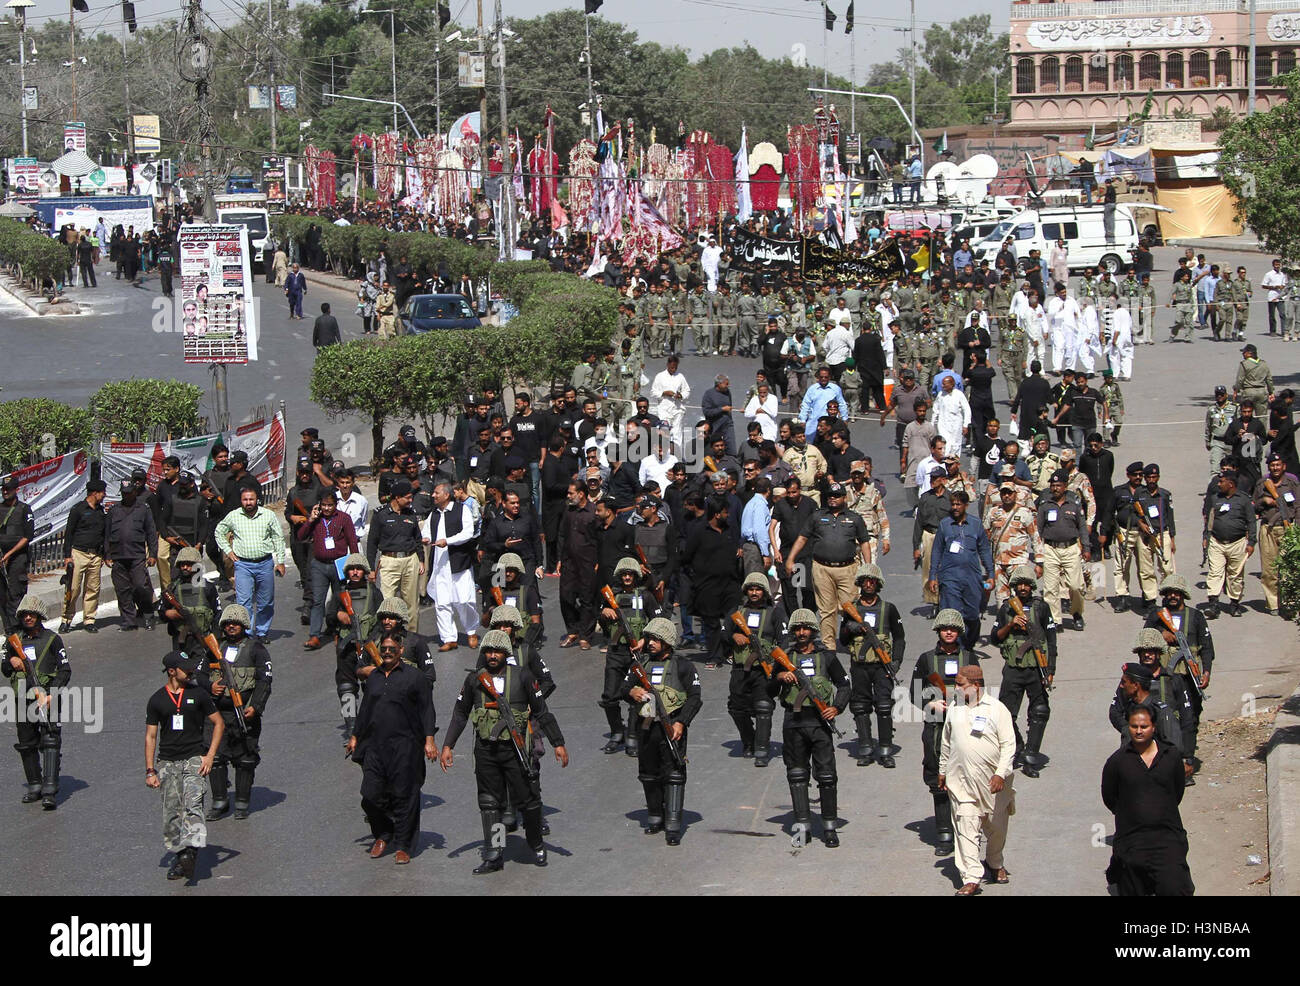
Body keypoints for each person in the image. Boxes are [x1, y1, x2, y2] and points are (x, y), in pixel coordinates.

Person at [440, 631, 567, 872]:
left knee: (529, 800)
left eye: (497, 651)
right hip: (486, 750)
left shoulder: (523, 677)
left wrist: (558, 743)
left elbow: (542, 711)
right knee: (490, 803)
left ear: (506, 653)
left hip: (515, 750)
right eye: (488, 651)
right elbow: (460, 713)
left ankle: (536, 843)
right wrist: (448, 746)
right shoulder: (475, 681)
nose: (492, 655)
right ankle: (495, 853)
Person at [346, 631, 438, 866]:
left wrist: (429, 740)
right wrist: (355, 736)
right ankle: (384, 833)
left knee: (405, 797)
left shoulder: (415, 678)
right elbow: (365, 709)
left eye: (391, 649)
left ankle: (404, 845)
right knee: (370, 796)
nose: (387, 652)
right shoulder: (375, 677)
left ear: (400, 651)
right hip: (375, 746)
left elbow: (427, 709)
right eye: (384, 649)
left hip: (405, 746)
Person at [770, 608, 848, 847]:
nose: (802, 633)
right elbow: (768, 690)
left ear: (813, 632)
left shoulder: (827, 658)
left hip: (820, 723)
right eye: (798, 629)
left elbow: (844, 685)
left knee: (826, 777)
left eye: (806, 629)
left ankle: (829, 827)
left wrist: (836, 708)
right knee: (797, 775)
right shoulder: (783, 657)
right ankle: (802, 827)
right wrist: (780, 677)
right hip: (793, 723)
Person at [619, 617, 701, 845]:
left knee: (674, 773)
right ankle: (655, 816)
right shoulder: (639, 665)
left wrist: (681, 723)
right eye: (650, 639)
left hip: (672, 728)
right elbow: (623, 689)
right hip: (646, 728)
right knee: (648, 773)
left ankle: (673, 824)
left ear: (667, 642)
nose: (651, 643)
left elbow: (695, 698)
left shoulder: (683, 666)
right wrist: (632, 692)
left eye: (656, 639)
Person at [144, 651, 224, 882]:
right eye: (185, 669)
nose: (190, 672)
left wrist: (209, 756)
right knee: (171, 815)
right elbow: (151, 736)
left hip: (193, 759)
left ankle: (190, 852)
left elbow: (218, 723)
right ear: (171, 671)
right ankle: (181, 855)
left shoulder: (198, 694)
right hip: (168, 762)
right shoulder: (157, 700)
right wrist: (150, 770)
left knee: (193, 805)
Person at [1102, 704, 1195, 896]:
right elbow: (1110, 797)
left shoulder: (1171, 757)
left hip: (1167, 836)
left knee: (1174, 887)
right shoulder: (1117, 761)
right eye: (1134, 726)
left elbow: (1177, 792)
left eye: (1143, 727)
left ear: (1154, 727)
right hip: (1132, 839)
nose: (1138, 731)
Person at [939, 664, 1016, 894]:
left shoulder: (997, 709)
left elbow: (1008, 745)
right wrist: (943, 770)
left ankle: (995, 863)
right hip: (961, 782)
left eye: (961, 685)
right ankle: (971, 877)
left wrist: (1000, 773)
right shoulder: (955, 708)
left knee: (996, 828)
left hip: (992, 784)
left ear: (976, 685)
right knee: (965, 827)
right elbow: (947, 742)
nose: (956, 689)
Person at [910, 609, 981, 857]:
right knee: (938, 779)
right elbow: (913, 693)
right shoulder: (926, 659)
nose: (949, 632)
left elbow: (980, 694)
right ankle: (944, 833)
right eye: (944, 628)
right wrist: (930, 704)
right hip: (936, 727)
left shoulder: (970, 658)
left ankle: (967, 830)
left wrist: (962, 700)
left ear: (959, 631)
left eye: (953, 628)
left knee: (968, 778)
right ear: (938, 631)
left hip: (965, 728)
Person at [202, 604, 271, 821]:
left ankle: (242, 801)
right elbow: (199, 675)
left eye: (236, 623)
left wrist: (256, 707)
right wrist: (210, 687)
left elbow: (265, 680)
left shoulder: (256, 649)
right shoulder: (214, 649)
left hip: (244, 713)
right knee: (216, 757)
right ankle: (219, 800)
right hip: (217, 716)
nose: (232, 626)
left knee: (246, 759)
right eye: (228, 623)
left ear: (244, 626)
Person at [784, 481, 873, 650]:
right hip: (821, 568)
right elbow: (802, 538)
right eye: (830, 496)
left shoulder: (854, 518)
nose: (833, 499)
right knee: (826, 609)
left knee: (850, 608)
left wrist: (868, 569)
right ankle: (829, 645)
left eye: (837, 496)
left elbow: (864, 543)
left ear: (844, 498)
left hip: (848, 569)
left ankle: (853, 641)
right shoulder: (817, 516)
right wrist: (790, 559)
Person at [3, 595, 70, 809]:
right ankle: (34, 785)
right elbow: (4, 668)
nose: (28, 617)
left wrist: (52, 694)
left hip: (46, 696)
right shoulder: (14, 641)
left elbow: (65, 670)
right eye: (24, 614)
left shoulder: (52, 639)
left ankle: (50, 789)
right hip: (23, 697)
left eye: (32, 614)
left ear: (39, 616)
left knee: (50, 740)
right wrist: (12, 661)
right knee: (26, 742)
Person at [992, 567, 1056, 778]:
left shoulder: (1042, 608)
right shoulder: (1006, 609)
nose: (1023, 587)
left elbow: (1051, 639)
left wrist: (1051, 669)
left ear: (1032, 586)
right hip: (1013, 669)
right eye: (1019, 584)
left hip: (1036, 668)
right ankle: (1017, 747)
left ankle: (1031, 755)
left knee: (1039, 712)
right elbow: (995, 638)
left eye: (1027, 584)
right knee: (1005, 715)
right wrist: (1011, 625)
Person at [838, 563, 904, 768]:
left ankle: (885, 748)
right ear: (859, 583)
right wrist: (851, 628)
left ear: (878, 584)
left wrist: (896, 663)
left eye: (872, 581)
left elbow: (900, 638)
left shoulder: (888, 609)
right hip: (859, 666)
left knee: (884, 707)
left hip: (882, 668)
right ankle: (865, 748)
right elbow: (842, 639)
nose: (868, 584)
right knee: (860, 706)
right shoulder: (852, 609)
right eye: (865, 581)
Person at [725, 572, 785, 766]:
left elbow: (784, 641)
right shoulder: (737, 611)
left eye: (758, 589)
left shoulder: (775, 612)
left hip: (764, 670)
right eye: (751, 589)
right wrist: (733, 637)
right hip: (740, 668)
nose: (754, 592)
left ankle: (761, 749)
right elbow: (723, 633)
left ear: (765, 592)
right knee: (736, 708)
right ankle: (748, 741)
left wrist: (776, 665)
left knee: (763, 707)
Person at [214, 487, 287, 641]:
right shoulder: (234, 516)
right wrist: (228, 550)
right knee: (244, 601)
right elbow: (219, 532)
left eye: (251, 499)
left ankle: (262, 632)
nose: (248, 502)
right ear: (241, 501)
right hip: (243, 566)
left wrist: (280, 561)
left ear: (257, 500)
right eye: (245, 499)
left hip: (265, 564)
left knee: (265, 602)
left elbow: (278, 538)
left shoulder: (268, 515)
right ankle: (247, 633)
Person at [927, 490, 994, 647]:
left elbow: (984, 550)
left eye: (958, 504)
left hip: (972, 577)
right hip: (950, 578)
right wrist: (932, 576)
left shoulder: (976, 524)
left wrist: (990, 573)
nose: (955, 507)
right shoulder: (945, 525)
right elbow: (936, 551)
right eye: (953, 504)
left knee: (972, 614)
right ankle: (956, 648)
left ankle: (969, 644)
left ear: (966, 505)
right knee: (952, 613)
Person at [427, 482, 479, 651]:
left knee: (464, 600)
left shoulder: (461, 510)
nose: (433, 496)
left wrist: (448, 541)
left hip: (458, 562)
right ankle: (449, 638)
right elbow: (427, 532)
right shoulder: (433, 514)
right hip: (440, 565)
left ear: (446, 495)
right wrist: (426, 539)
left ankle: (471, 632)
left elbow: (467, 533)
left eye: (436, 493)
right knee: (442, 603)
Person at [104, 480, 159, 632]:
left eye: (129, 492)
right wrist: (107, 554)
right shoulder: (114, 510)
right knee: (122, 590)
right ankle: (129, 620)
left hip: (137, 556)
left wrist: (152, 554)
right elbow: (107, 534)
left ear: (135, 492)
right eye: (124, 493)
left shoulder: (143, 509)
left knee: (141, 587)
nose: (126, 495)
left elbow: (151, 533)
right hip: (118, 556)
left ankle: (148, 615)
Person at [59, 479, 108, 634]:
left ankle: (89, 620)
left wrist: (104, 555)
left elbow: (104, 534)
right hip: (78, 554)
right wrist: (67, 557)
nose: (104, 495)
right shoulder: (78, 510)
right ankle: (66, 619)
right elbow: (69, 534)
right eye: (102, 492)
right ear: (94, 493)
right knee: (73, 589)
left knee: (93, 589)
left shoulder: (101, 511)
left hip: (95, 555)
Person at [1254, 452, 1300, 615]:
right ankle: (1273, 603)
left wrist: (1297, 530)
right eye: (1272, 465)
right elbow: (1254, 507)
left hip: (1289, 529)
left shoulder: (1292, 482)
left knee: (1289, 568)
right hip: (1268, 529)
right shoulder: (1262, 483)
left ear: (1284, 466)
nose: (1275, 467)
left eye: (1278, 465)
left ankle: (1290, 603)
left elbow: (1298, 505)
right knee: (1269, 570)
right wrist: (1264, 501)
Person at [0, 476, 36, 631]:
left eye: (9, 489)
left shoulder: (24, 509)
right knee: (2, 596)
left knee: (16, 593)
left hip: (17, 558)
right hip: (2, 557)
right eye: (3, 489)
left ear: (17, 490)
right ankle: (9, 630)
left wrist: (9, 555)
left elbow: (27, 536)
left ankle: (18, 628)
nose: (5, 491)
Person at [1261, 257, 1289, 336]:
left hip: (1280, 297)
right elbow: (1263, 285)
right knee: (1272, 315)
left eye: (1278, 265)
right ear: (1273, 265)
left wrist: (1281, 287)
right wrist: (1273, 287)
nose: (1277, 266)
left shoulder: (1282, 274)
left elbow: (1285, 284)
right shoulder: (1269, 274)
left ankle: (1284, 331)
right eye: (1276, 265)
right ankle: (1273, 331)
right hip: (1272, 297)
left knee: (1282, 314)